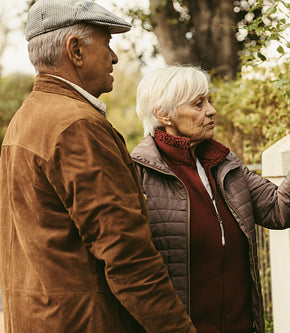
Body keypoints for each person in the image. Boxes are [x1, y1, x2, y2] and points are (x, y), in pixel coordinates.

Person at [0, 1, 195, 332]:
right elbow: (126, 256)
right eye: (106, 43)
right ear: (75, 50)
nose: (115, 57)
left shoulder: (24, 120)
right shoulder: (77, 126)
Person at [131, 65, 290, 333]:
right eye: (198, 104)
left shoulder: (223, 163)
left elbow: (282, 209)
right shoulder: (138, 174)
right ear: (163, 114)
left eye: (209, 100)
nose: (211, 110)